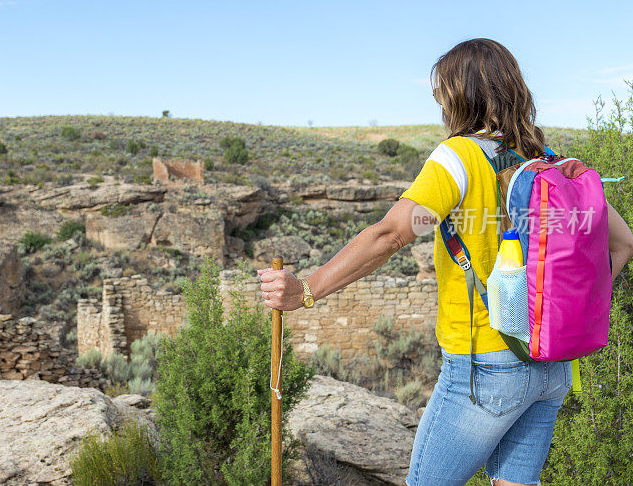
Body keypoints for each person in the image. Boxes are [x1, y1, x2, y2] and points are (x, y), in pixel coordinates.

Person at [257, 37, 633, 486]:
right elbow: (623, 244)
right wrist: (565, 308)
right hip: (552, 365)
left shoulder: (458, 158)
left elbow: (392, 233)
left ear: (460, 96)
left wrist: (308, 289)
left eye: (442, 95)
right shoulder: (548, 163)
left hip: (485, 368)